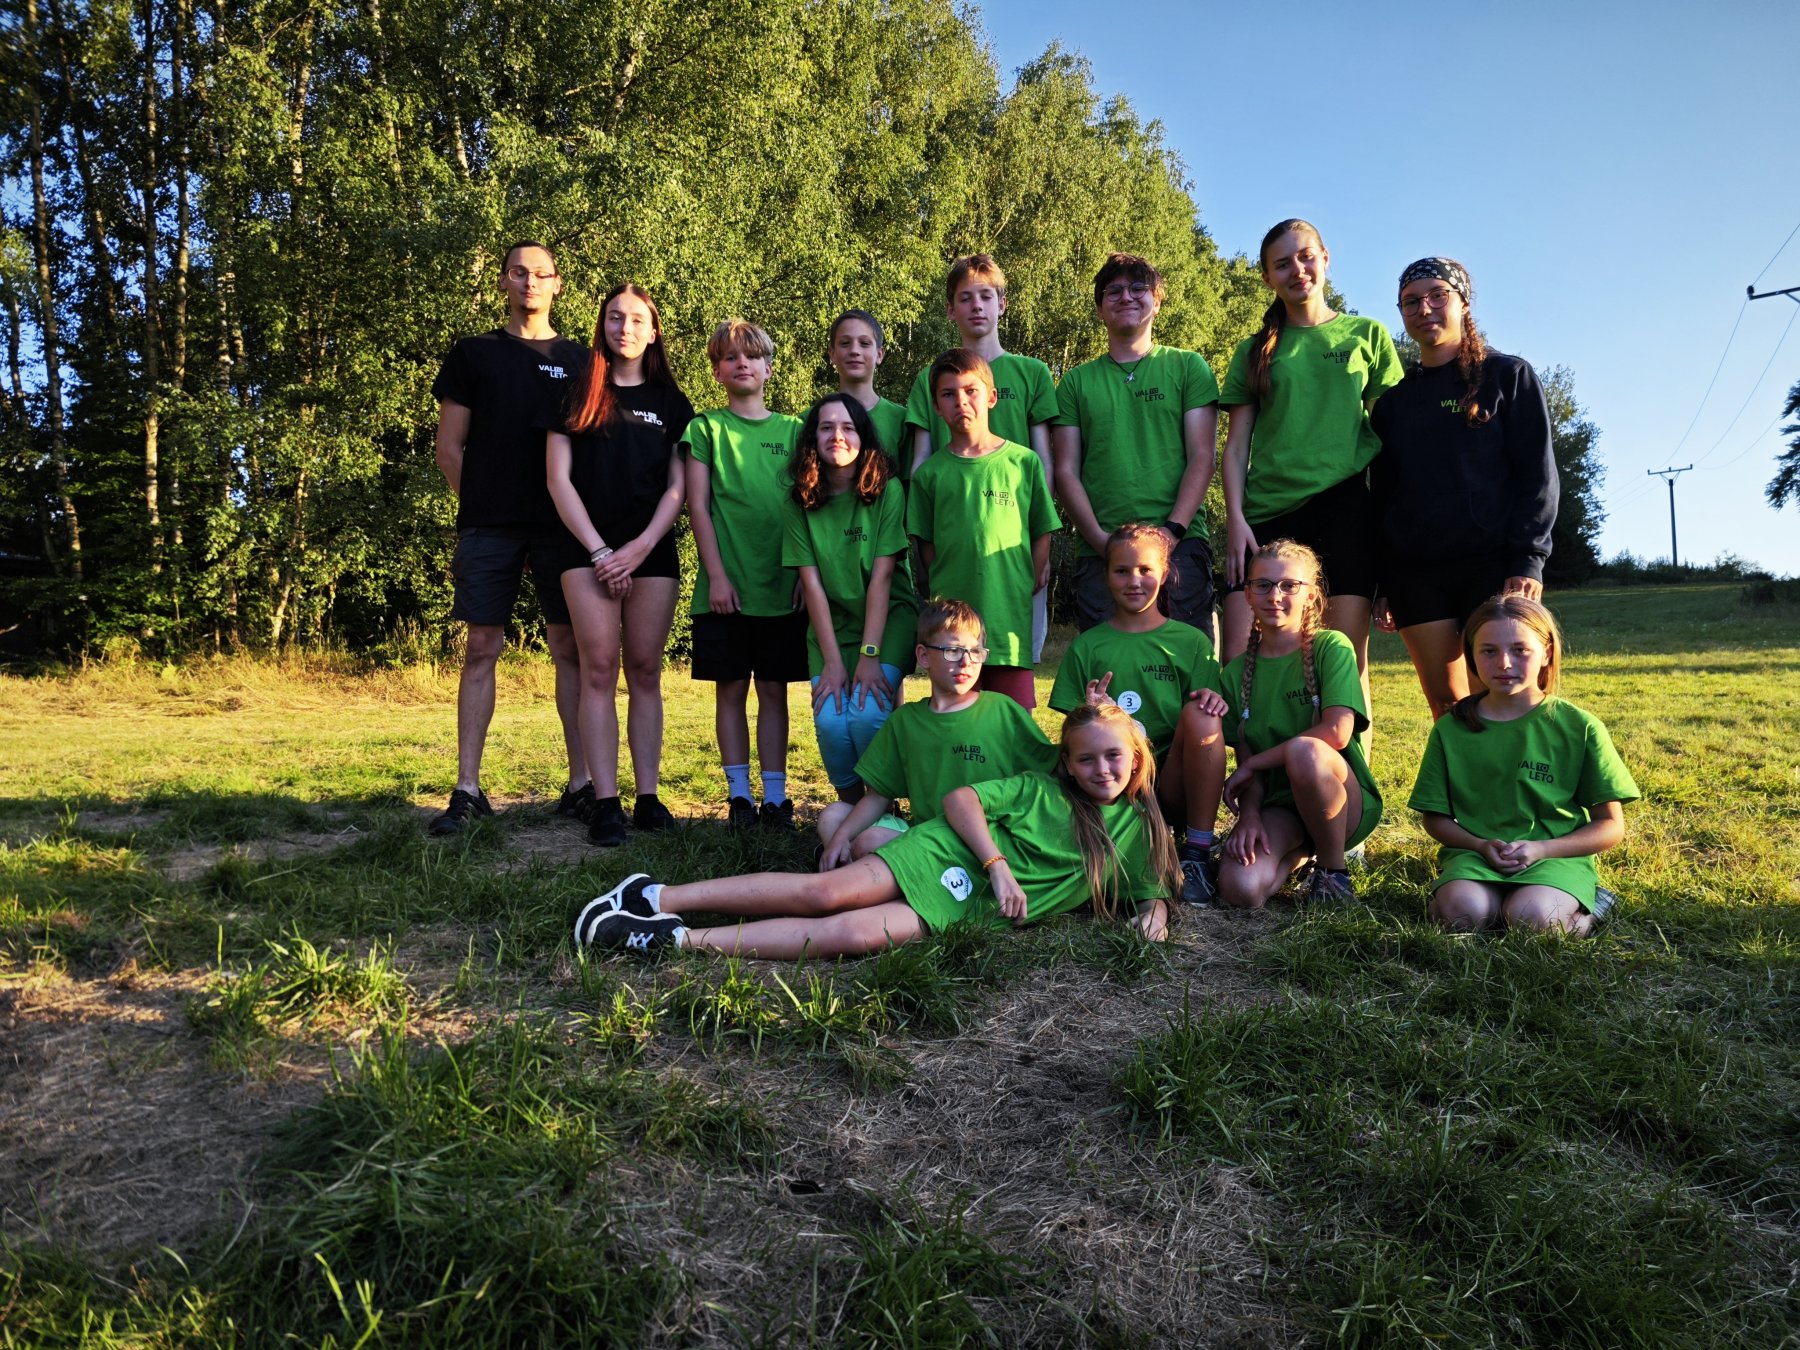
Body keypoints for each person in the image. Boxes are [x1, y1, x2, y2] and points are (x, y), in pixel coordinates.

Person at [574, 703, 1179, 959]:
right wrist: (996, 865)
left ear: (1137, 757)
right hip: (946, 854)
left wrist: (1154, 918)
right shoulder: (1041, 790)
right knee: (826, 894)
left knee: (852, 935)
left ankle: (675, 939)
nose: (1101, 769)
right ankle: (654, 894)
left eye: (1113, 757)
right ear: (1066, 763)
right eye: (1085, 759)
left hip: (965, 906)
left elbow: (1152, 891)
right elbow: (961, 798)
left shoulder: (1138, 830)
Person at [429, 241, 588, 835]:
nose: (530, 282)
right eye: (519, 272)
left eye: (541, 274)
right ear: (503, 281)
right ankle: (468, 789)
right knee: (481, 647)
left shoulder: (582, 360)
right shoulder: (474, 353)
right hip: (489, 528)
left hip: (563, 529)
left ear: (557, 284)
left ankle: (582, 785)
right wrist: (484, 508)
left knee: (570, 649)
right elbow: (449, 449)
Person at [1370, 257, 1559, 718]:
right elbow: (1384, 495)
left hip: (1494, 568)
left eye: (1438, 296)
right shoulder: (1394, 403)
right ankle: (1462, 771)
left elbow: (1537, 475)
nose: (1424, 309)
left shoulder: (1508, 377)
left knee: (1505, 695)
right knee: (1448, 705)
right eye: (1411, 302)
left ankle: (1521, 771)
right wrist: (1384, 582)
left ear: (1463, 303)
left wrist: (1528, 559)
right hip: (1416, 575)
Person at [1218, 220, 1405, 672]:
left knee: (1343, 664)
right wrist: (1236, 520)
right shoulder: (1253, 351)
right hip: (1265, 515)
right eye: (1282, 264)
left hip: (1346, 511)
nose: (1297, 270)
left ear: (1325, 258)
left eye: (1305, 257)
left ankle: (1343, 726)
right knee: (1239, 662)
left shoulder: (1367, 335)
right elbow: (1237, 447)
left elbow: (1393, 442)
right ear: (1268, 277)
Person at [544, 282, 693, 846]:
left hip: (651, 553)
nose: (624, 328)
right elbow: (557, 480)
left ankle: (647, 798)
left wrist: (638, 547)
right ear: (601, 325)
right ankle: (605, 803)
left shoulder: (672, 403)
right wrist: (601, 551)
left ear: (653, 332)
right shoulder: (575, 394)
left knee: (647, 671)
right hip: (584, 553)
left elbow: (678, 489)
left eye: (635, 320)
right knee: (599, 670)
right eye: (614, 317)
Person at [1411, 596, 1637, 935]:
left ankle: (1592, 908)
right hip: (1476, 856)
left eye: (1520, 650)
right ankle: (1471, 901)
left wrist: (1542, 848)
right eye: (1489, 651)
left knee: (1533, 919)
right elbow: (1435, 818)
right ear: (1471, 655)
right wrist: (1479, 845)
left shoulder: (1579, 726)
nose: (1504, 663)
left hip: (1555, 857)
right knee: (1461, 915)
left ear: (1546, 653)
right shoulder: (1451, 728)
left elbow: (1610, 825)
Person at [1049, 524, 1228, 906]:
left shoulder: (1191, 642)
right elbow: (1070, 736)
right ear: (1105, 575)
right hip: (1114, 785)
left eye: (1145, 569)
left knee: (1203, 715)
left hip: (1171, 785)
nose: (1134, 580)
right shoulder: (1087, 646)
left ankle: (1196, 853)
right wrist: (1092, 712)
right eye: (1122, 570)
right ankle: (1099, 844)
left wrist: (1214, 701)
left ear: (1164, 574)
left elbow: (1207, 717)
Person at [816, 598, 1057, 868]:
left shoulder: (1002, 710)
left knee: (870, 841)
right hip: (925, 837)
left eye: (975, 651)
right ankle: (860, 874)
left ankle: (862, 877)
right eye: (953, 650)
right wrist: (841, 837)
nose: (966, 661)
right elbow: (879, 796)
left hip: (985, 844)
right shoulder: (905, 721)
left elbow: (1051, 771)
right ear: (923, 656)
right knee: (833, 817)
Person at [1053, 254, 1221, 636]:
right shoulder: (1075, 383)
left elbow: (1202, 456)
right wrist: (1101, 541)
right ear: (1100, 309)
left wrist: (1171, 533)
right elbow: (1065, 470)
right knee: (1105, 668)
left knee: (1187, 663)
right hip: (1100, 551)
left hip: (1181, 546)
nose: (1126, 296)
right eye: (1113, 291)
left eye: (1138, 288)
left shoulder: (1188, 367)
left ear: (1156, 302)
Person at [682, 320, 806, 832]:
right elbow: (697, 505)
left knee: (774, 692)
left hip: (782, 589)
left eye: (752, 356)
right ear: (717, 372)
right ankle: (738, 797)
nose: (742, 364)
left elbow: (808, 508)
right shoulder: (705, 429)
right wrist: (716, 576)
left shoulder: (796, 431)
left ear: (769, 368)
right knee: (730, 690)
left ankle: (775, 799)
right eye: (730, 357)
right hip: (725, 591)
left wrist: (803, 575)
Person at [905, 255, 1059, 658]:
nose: (977, 305)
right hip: (954, 542)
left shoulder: (1033, 372)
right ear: (950, 309)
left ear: (1002, 304)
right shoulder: (929, 377)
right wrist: (927, 552)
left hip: (1014, 545)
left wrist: (1039, 549)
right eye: (965, 297)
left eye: (986, 296)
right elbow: (920, 463)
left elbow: (1045, 462)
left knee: (1015, 652)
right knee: (954, 654)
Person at [1217, 539, 1381, 907]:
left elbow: (1337, 733)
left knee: (1306, 751)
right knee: (1240, 887)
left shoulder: (1332, 647)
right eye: (1263, 585)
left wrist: (1256, 764)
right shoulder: (1235, 673)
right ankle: (1302, 855)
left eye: (1289, 585)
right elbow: (1246, 759)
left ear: (1311, 595)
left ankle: (1333, 872)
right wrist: (1250, 816)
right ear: (1248, 594)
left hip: (1341, 803)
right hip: (1281, 807)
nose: (1275, 595)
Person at [782, 393, 919, 807]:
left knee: (866, 714)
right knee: (830, 722)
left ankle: (882, 810)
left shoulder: (887, 490)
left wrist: (869, 655)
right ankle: (852, 808)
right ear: (812, 438)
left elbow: (882, 579)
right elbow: (812, 586)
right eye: (826, 427)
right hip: (832, 628)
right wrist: (834, 662)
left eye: (848, 427)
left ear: (864, 437)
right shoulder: (799, 499)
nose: (837, 436)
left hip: (888, 620)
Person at [906, 349, 1060, 709]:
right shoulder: (929, 475)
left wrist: (1027, 579)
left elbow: (1042, 529)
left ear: (991, 397)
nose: (961, 401)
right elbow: (925, 547)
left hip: (1008, 623)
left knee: (1013, 720)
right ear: (936, 406)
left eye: (970, 390)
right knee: (956, 718)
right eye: (948, 394)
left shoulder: (1024, 463)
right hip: (951, 631)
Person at [826, 310, 910, 481]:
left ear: (879, 354)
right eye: (845, 343)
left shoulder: (902, 420)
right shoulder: (812, 420)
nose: (854, 350)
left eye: (864, 343)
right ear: (832, 354)